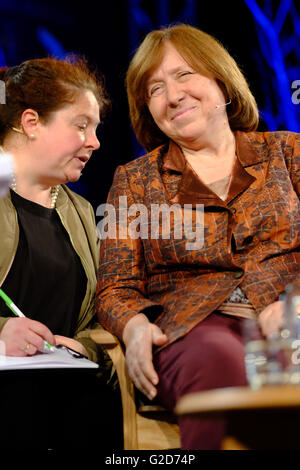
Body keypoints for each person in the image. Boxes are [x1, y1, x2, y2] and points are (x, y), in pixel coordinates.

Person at [96, 24, 300, 450]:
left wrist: (293, 306)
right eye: (155, 89)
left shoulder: (290, 153)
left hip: (292, 324)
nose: (172, 96)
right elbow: (115, 286)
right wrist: (133, 326)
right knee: (218, 361)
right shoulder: (134, 181)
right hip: (194, 330)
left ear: (223, 83)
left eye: (185, 75)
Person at [0, 57, 122, 450]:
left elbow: (101, 315)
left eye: (96, 129)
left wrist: (82, 347)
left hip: (67, 400)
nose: (95, 142)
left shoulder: (83, 213)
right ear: (31, 123)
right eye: (81, 125)